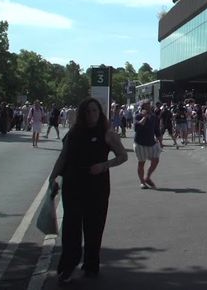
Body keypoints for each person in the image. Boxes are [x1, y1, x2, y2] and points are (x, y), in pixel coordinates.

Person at [48, 97, 128, 284]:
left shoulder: (107, 134)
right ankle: (67, 266)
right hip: (73, 183)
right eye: (88, 111)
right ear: (82, 114)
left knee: (94, 227)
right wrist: (53, 178)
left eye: (95, 111)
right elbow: (63, 158)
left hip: (97, 186)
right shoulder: (74, 133)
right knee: (71, 228)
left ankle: (91, 264)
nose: (91, 114)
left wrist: (104, 165)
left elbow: (123, 156)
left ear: (100, 113)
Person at [133, 100, 162, 189]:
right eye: (146, 106)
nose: (149, 108)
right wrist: (144, 117)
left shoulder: (154, 117)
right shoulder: (138, 116)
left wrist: (160, 140)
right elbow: (136, 128)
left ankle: (147, 177)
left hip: (151, 143)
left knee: (156, 160)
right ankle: (142, 182)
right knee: (141, 163)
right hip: (140, 143)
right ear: (142, 108)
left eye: (149, 106)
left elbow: (156, 129)